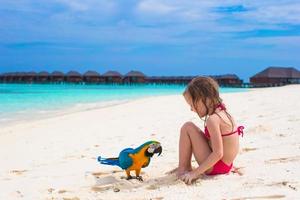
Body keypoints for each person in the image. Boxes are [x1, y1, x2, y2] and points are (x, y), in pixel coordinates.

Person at [177, 76, 244, 184]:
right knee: (191, 128)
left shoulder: (213, 120)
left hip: (216, 167)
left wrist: (195, 173)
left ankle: (183, 169)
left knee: (187, 127)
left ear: (205, 99)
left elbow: (218, 153)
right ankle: (185, 166)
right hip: (227, 164)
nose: (191, 109)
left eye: (192, 105)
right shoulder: (224, 113)